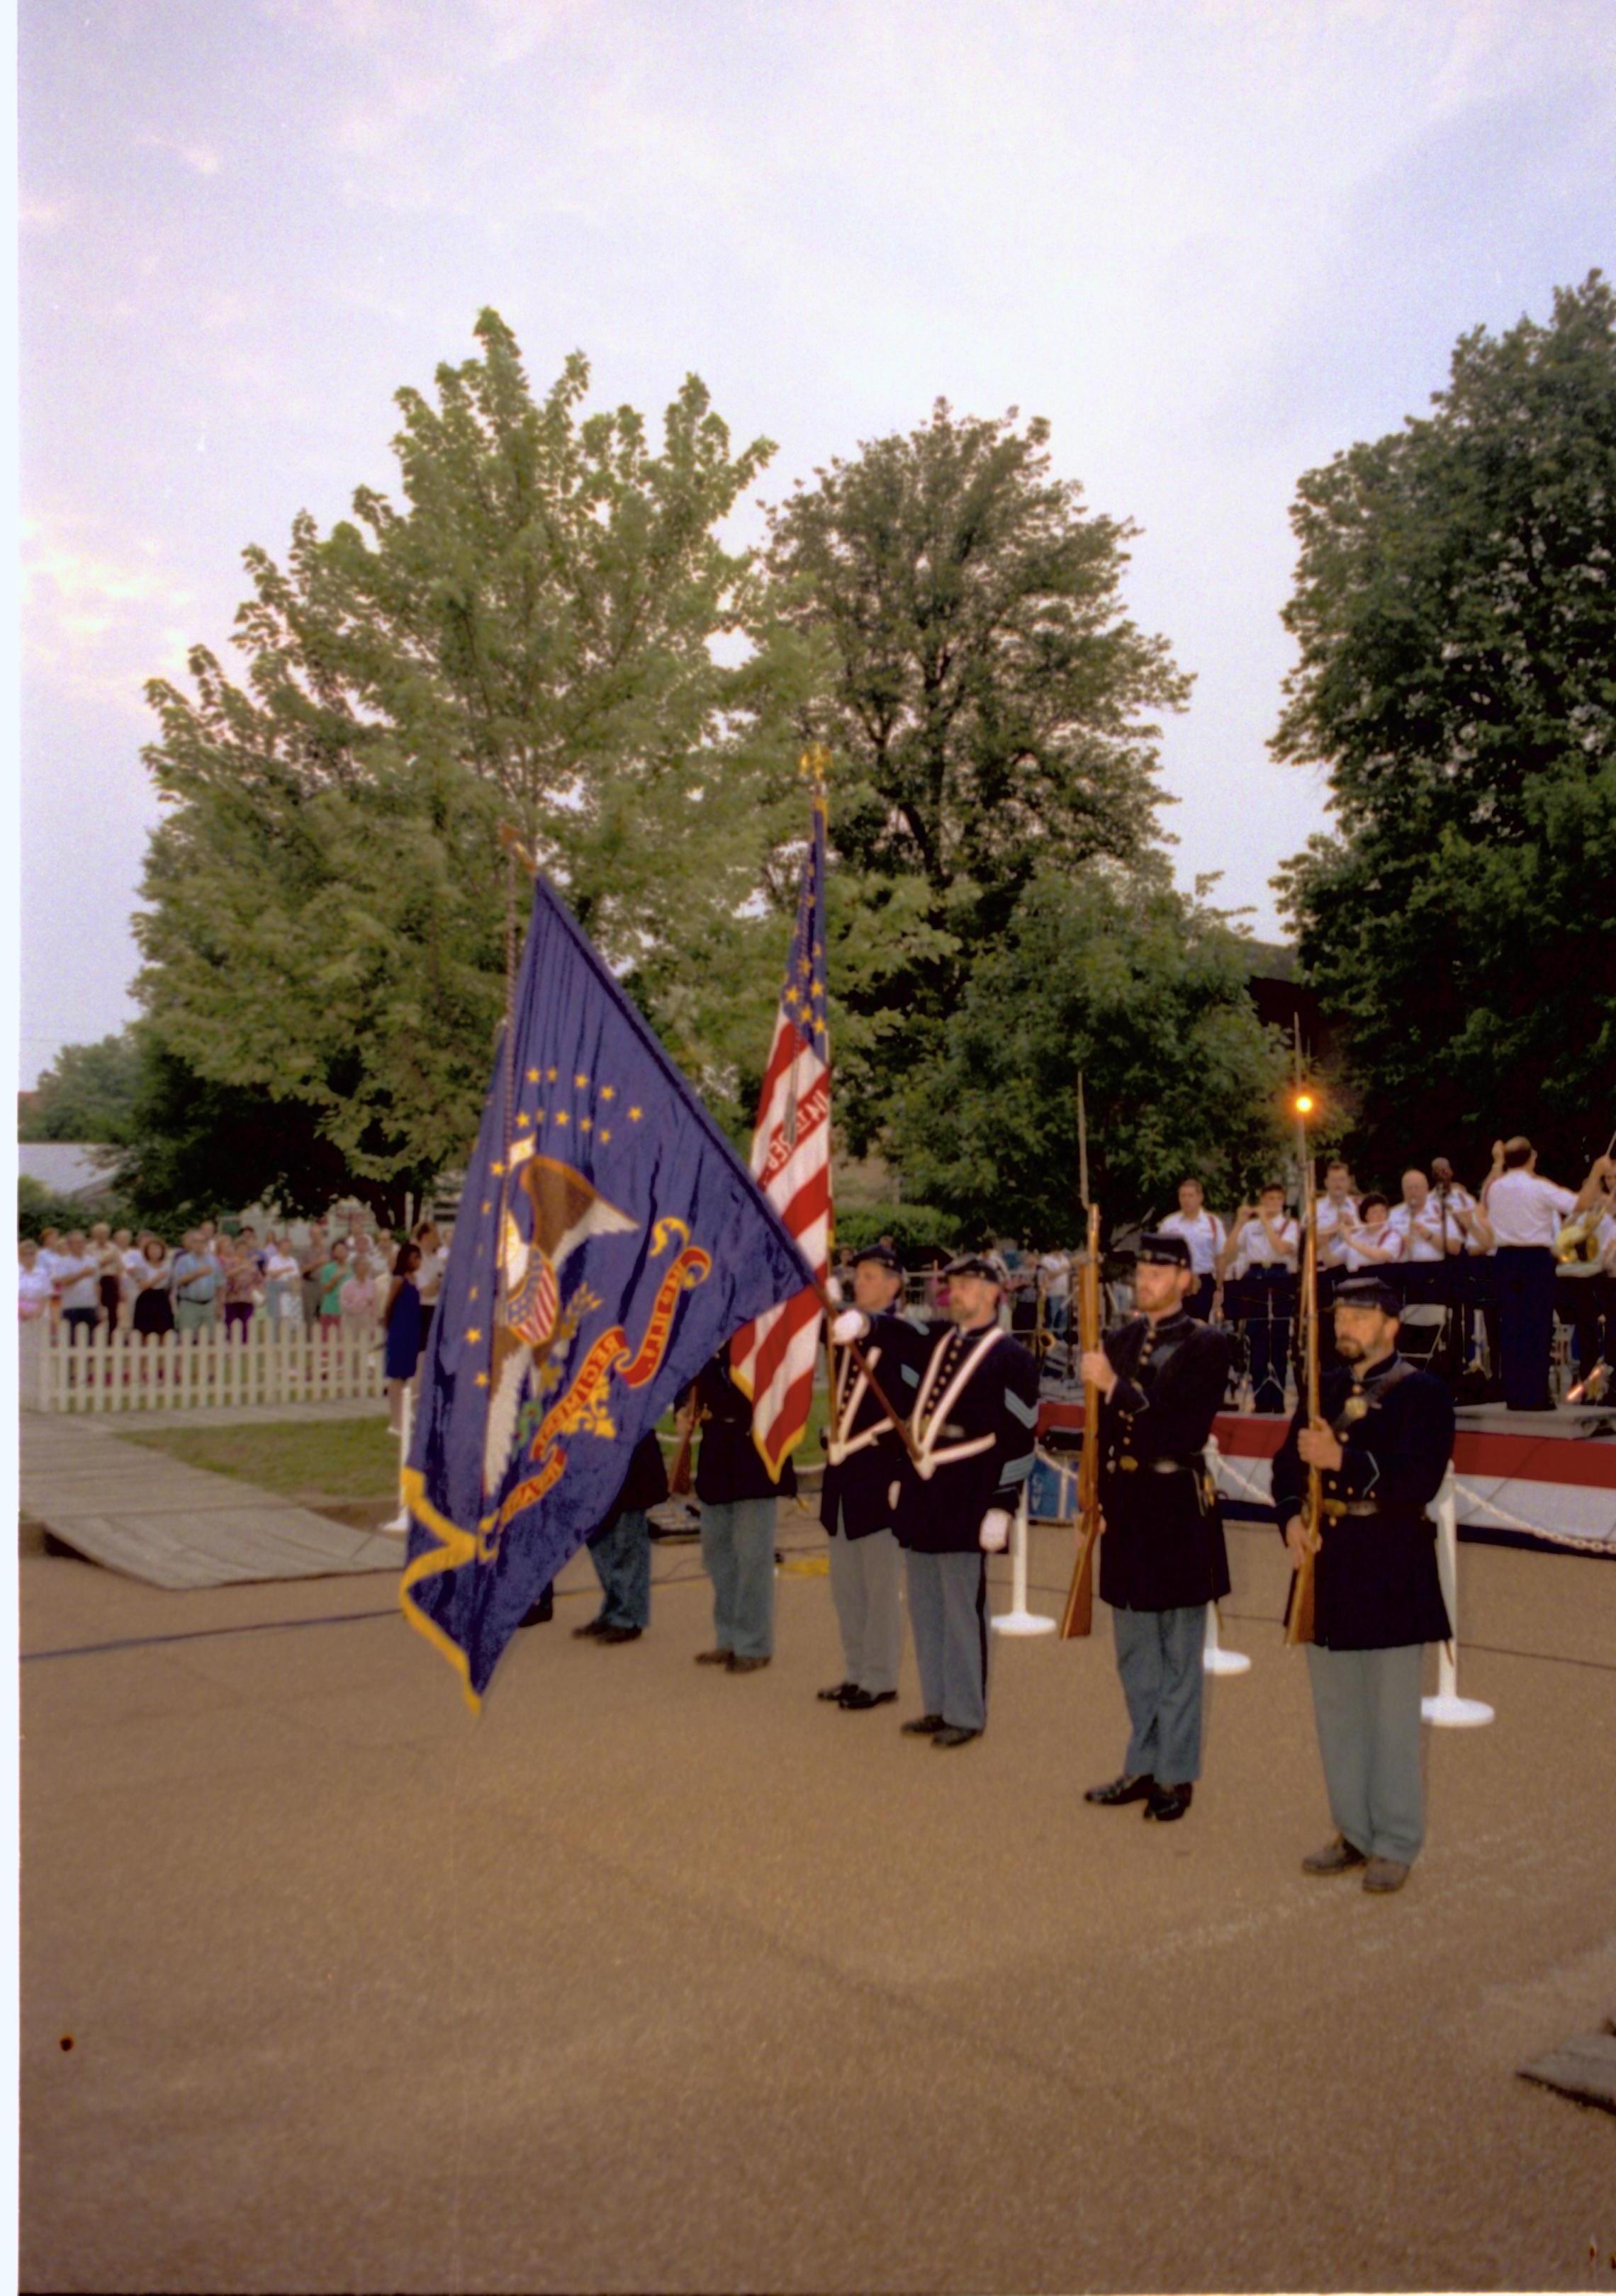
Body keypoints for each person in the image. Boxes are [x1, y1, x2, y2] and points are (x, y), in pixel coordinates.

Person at [1272, 1273, 1454, 1894]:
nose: (1344, 1325)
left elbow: (1418, 1479)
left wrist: (1342, 1463)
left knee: (1392, 1718)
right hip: (1330, 1566)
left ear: (1391, 1324)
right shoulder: (1321, 1387)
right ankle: (1353, 1829)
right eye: (1340, 1315)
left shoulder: (1424, 1392)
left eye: (1358, 1316)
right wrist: (1291, 1519)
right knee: (1339, 1714)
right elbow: (1284, 1467)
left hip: (1392, 1570)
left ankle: (1396, 1840)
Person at [838, 1251, 1039, 1750]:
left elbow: (1021, 1437)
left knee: (961, 1607)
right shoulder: (938, 1341)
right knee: (926, 1606)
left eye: (970, 1286)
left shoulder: (1011, 1357)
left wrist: (1003, 1503)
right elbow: (894, 1335)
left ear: (995, 1293)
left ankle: (967, 1712)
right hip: (925, 1488)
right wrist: (862, 1320)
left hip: (970, 1491)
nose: (958, 1294)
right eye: (955, 1286)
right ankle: (937, 1705)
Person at [1081, 1232, 1234, 1823]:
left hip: (1175, 1509)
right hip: (1126, 1507)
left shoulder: (1207, 1344)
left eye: (1159, 1271)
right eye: (1141, 1270)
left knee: (1178, 1654)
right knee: (1135, 1654)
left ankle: (1176, 1773)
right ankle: (1142, 1764)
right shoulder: (1119, 1339)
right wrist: (1089, 1494)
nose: (1145, 1279)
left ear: (1186, 1280)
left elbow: (1180, 1427)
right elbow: (1102, 1430)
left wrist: (1114, 1386)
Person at [817, 1243, 918, 1711]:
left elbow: (894, 1338)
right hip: (844, 1473)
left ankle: (880, 1678)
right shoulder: (846, 1332)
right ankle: (856, 1670)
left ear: (896, 1284)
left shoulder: (903, 1333)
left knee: (880, 1586)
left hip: (880, 1473)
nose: (862, 1282)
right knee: (847, 1586)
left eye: (874, 1276)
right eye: (858, 1275)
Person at [680, 1346, 796, 1673]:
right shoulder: (705, 1338)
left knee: (752, 1554)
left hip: (754, 1452)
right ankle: (728, 1637)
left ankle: (753, 1644)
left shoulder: (757, 1337)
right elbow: (685, 1380)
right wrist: (682, 1407)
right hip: (716, 1451)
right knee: (717, 1551)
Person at [1480, 1138, 1612, 1412]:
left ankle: (1515, 1393)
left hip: (1505, 1259)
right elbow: (1581, 1204)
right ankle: (1535, 1394)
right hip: (1533, 1259)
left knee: (1512, 1326)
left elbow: (1486, 1194)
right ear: (1532, 1157)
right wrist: (1596, 1172)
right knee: (1537, 1326)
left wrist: (1497, 1162)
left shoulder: (1497, 1189)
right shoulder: (1538, 1187)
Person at [571, 1431, 668, 1643]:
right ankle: (613, 1610)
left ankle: (629, 1618)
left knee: (627, 1542)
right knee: (599, 1542)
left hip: (628, 1459)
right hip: (593, 1457)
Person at [1221, 1183, 1299, 1414]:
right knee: (1256, 1340)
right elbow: (1229, 1252)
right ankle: (1260, 1399)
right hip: (1254, 1276)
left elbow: (1283, 1248)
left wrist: (1266, 1222)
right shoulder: (1250, 1227)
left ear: (1283, 1202)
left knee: (1279, 1338)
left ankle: (1279, 1398)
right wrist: (1239, 1223)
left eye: (1277, 1199)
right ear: (1262, 1200)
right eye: (1268, 1199)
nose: (1272, 1204)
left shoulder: (1289, 1225)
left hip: (1280, 1275)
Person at [1157, 1179, 1227, 1322]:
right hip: (1176, 1281)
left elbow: (1221, 1257)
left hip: (1203, 1281)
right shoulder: (1169, 1224)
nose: (1186, 1200)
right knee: (1175, 1324)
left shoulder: (1213, 1223)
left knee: (1199, 1328)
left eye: (1190, 1195)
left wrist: (1219, 1288)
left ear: (1200, 1198)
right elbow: (1160, 1257)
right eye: (1183, 1196)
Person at [382, 1242, 425, 1430]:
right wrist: (389, 1326)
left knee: (407, 1376)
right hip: (400, 1330)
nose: (418, 1261)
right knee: (397, 1377)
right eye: (415, 1257)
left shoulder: (415, 1280)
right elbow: (389, 1305)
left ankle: (403, 1417)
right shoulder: (399, 1280)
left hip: (412, 1331)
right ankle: (395, 1420)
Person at [169, 1231, 223, 1336]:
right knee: (187, 1337)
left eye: (202, 1242)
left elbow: (220, 1284)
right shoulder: (183, 1261)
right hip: (189, 1304)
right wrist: (197, 1274)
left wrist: (220, 1305)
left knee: (210, 1337)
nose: (199, 1245)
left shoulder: (213, 1261)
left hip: (209, 1304)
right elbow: (178, 1281)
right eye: (196, 1242)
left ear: (206, 1244)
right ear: (191, 1244)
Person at [53, 1231, 102, 1343]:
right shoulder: (63, 1262)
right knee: (72, 1339)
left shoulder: (92, 1261)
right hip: (71, 1306)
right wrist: (82, 1273)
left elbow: (96, 1284)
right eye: (77, 1243)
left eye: (82, 1242)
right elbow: (63, 1282)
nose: (80, 1245)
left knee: (90, 1339)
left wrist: (99, 1305)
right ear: (69, 1245)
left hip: (90, 1305)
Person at [1342, 1193, 1403, 1273]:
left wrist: (1349, 1240)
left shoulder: (1393, 1235)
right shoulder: (1357, 1236)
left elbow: (1379, 1256)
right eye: (1374, 1212)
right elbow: (1333, 1261)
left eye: (1383, 1211)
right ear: (1366, 1216)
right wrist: (1325, 1244)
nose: (1380, 1215)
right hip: (1353, 1278)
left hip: (1378, 1280)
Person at [130, 1237, 175, 1338]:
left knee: (164, 1330)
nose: (154, 1251)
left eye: (157, 1249)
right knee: (144, 1331)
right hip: (147, 1299)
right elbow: (143, 1286)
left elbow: (171, 1285)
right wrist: (157, 1278)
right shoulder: (141, 1267)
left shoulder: (167, 1266)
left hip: (162, 1298)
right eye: (151, 1249)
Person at [220, 1236, 260, 1339]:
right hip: (233, 1298)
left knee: (246, 1326)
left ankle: (245, 1348)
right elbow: (226, 1275)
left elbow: (259, 1279)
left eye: (245, 1249)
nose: (243, 1251)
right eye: (240, 1248)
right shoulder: (230, 1263)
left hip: (247, 1299)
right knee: (232, 1325)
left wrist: (258, 1292)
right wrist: (241, 1268)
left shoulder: (252, 1265)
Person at [262, 1234, 301, 1327]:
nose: (287, 1248)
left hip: (290, 1289)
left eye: (288, 1246)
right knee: (275, 1316)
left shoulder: (293, 1261)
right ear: (279, 1247)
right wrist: (285, 1270)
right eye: (284, 1246)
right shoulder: (274, 1260)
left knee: (290, 1317)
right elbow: (272, 1274)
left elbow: (296, 1276)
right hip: (275, 1289)